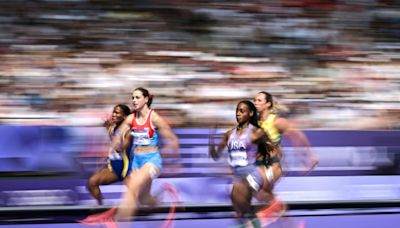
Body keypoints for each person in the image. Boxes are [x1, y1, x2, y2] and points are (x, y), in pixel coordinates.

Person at [100, 87, 180, 226]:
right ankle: (163, 195)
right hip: (137, 160)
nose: (134, 101)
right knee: (143, 199)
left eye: (137, 98)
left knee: (132, 186)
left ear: (146, 99)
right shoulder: (131, 118)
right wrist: (114, 146)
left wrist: (170, 156)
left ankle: (118, 223)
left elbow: (173, 140)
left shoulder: (154, 118)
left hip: (152, 160)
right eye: (132, 98)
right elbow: (118, 135)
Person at [209, 100, 280, 227]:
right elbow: (215, 156)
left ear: (251, 113)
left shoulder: (256, 132)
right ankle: (257, 220)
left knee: (240, 192)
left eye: (242, 111)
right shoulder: (228, 134)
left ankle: (270, 210)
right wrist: (211, 140)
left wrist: (272, 168)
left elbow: (273, 149)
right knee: (241, 212)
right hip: (237, 176)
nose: (238, 114)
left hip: (252, 175)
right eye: (237, 111)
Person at [253, 91, 319, 223]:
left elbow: (297, 137)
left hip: (274, 165)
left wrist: (311, 155)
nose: (255, 102)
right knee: (264, 197)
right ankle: (289, 224)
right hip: (259, 164)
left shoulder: (277, 122)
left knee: (256, 187)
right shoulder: (254, 123)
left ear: (268, 104)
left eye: (259, 100)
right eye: (254, 100)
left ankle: (275, 207)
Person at [86, 104, 132, 205]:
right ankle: (102, 207)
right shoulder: (113, 128)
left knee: (140, 197)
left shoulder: (129, 131)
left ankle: (159, 207)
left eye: (117, 113)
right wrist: (107, 128)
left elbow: (121, 148)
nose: (114, 115)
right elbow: (112, 136)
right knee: (92, 183)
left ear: (124, 116)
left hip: (128, 169)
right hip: (114, 168)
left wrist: (113, 143)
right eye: (113, 112)